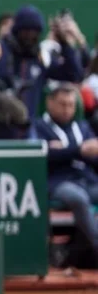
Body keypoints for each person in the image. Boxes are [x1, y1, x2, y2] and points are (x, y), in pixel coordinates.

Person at [0, 6, 84, 140]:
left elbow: (74, 74)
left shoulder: (40, 57)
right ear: (16, 31)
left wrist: (64, 43)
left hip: (25, 134)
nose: (30, 37)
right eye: (26, 32)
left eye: (34, 32)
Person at [35, 83, 98, 258]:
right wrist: (78, 150)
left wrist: (68, 149)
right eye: (63, 104)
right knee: (77, 197)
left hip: (87, 179)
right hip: (58, 182)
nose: (67, 110)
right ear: (50, 102)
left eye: (71, 105)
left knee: (85, 193)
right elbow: (47, 154)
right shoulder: (39, 127)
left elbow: (93, 154)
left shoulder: (83, 127)